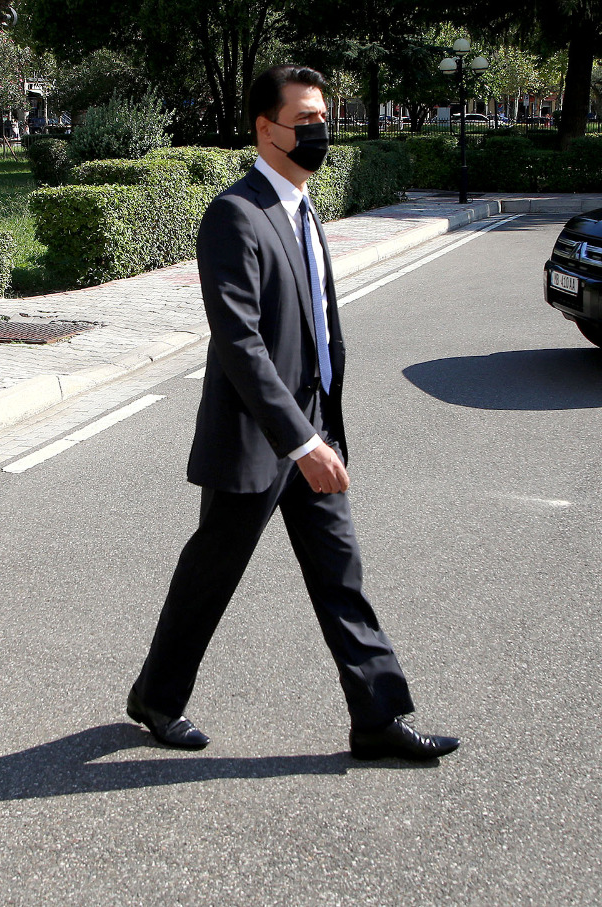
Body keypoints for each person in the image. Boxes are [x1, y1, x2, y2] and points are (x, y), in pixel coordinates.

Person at [128, 65, 459, 762]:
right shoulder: (235, 214)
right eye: (305, 120)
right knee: (211, 574)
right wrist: (301, 441)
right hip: (260, 436)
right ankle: (157, 697)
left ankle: (377, 717)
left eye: (323, 118)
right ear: (265, 129)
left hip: (314, 427)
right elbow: (239, 342)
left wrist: (322, 425)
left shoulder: (304, 210)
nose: (319, 131)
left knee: (342, 576)